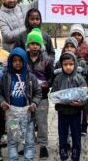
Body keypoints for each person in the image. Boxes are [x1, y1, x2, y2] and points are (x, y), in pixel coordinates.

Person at [0, 47, 42, 161]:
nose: (17, 63)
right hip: (12, 117)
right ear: (10, 61)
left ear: (25, 61)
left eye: (20, 60)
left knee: (29, 141)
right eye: (14, 60)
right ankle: (13, 158)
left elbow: (38, 92)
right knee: (12, 141)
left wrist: (34, 104)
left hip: (28, 116)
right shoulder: (6, 77)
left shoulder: (30, 77)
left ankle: (28, 158)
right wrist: (2, 103)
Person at [51, 52, 88, 161]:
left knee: (76, 135)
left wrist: (81, 103)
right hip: (62, 112)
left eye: (71, 64)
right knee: (62, 134)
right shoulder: (58, 79)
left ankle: (76, 153)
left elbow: (85, 96)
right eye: (65, 64)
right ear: (61, 65)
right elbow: (53, 94)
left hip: (76, 113)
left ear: (75, 64)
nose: (68, 67)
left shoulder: (79, 78)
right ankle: (63, 153)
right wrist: (59, 101)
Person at [25, 28, 54, 159]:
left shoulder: (46, 60)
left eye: (37, 44)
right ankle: (27, 144)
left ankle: (43, 145)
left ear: (41, 45)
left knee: (42, 122)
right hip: (25, 97)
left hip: (42, 97)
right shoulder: (23, 59)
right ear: (28, 45)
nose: (35, 46)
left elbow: (51, 78)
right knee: (27, 122)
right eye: (32, 43)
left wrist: (46, 84)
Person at [69, 24, 88, 136]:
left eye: (79, 34)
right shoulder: (68, 47)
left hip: (84, 80)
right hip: (71, 81)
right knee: (72, 103)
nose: (77, 36)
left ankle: (84, 126)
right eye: (74, 34)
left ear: (83, 36)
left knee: (85, 104)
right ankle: (73, 127)